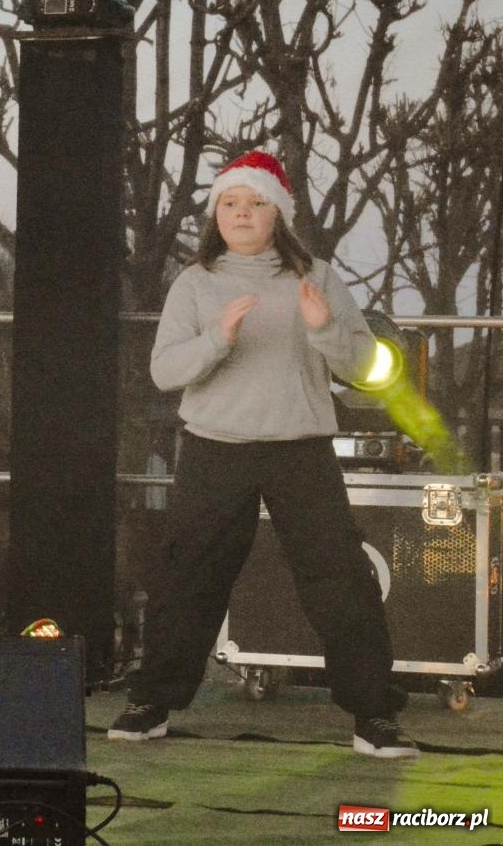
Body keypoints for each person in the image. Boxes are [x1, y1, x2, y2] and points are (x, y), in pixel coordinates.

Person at [109, 150, 417, 758]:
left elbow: (366, 370)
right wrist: (217, 338)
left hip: (300, 450)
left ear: (278, 214)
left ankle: (374, 715)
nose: (242, 213)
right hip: (214, 449)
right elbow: (165, 371)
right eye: (230, 203)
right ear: (216, 214)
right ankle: (152, 703)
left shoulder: (318, 277)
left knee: (342, 580)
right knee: (188, 578)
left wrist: (326, 328)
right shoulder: (195, 283)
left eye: (255, 203)